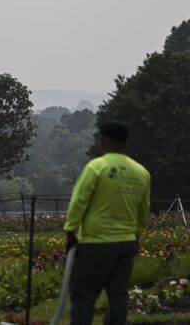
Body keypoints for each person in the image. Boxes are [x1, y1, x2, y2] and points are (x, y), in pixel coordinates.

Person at [64, 121, 150, 325]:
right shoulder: (141, 172)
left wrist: (70, 231)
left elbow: (79, 202)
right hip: (126, 243)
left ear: (102, 141)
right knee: (119, 295)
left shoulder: (96, 168)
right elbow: (143, 210)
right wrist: (136, 235)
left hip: (95, 243)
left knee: (83, 296)